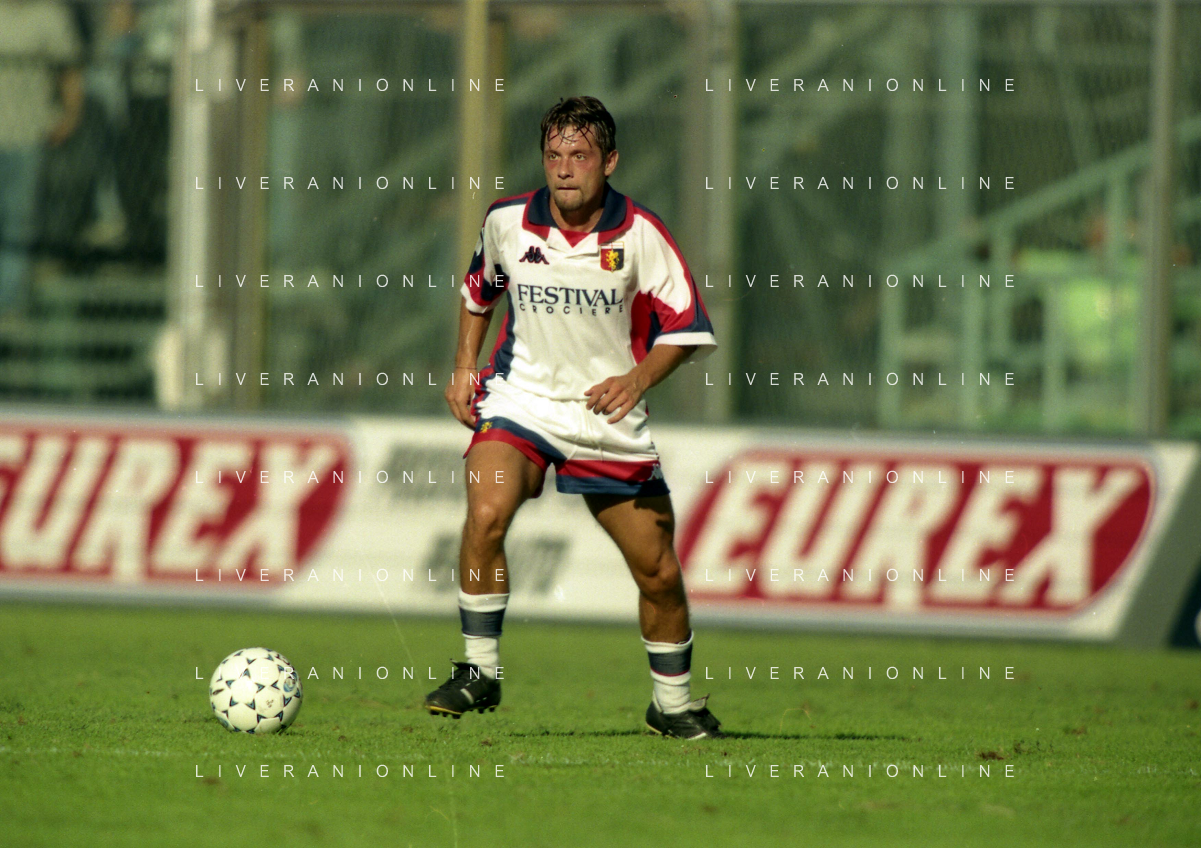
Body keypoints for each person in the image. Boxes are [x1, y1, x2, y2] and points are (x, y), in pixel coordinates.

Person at [425, 96, 722, 739]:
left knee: (658, 571)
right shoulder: (508, 221)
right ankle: (479, 670)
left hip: (604, 417)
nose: (564, 168)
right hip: (521, 399)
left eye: (579, 155)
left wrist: (636, 379)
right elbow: (479, 292)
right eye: (553, 155)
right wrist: (464, 366)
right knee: (487, 511)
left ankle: (672, 705)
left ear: (609, 162)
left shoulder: (641, 233)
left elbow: (686, 328)